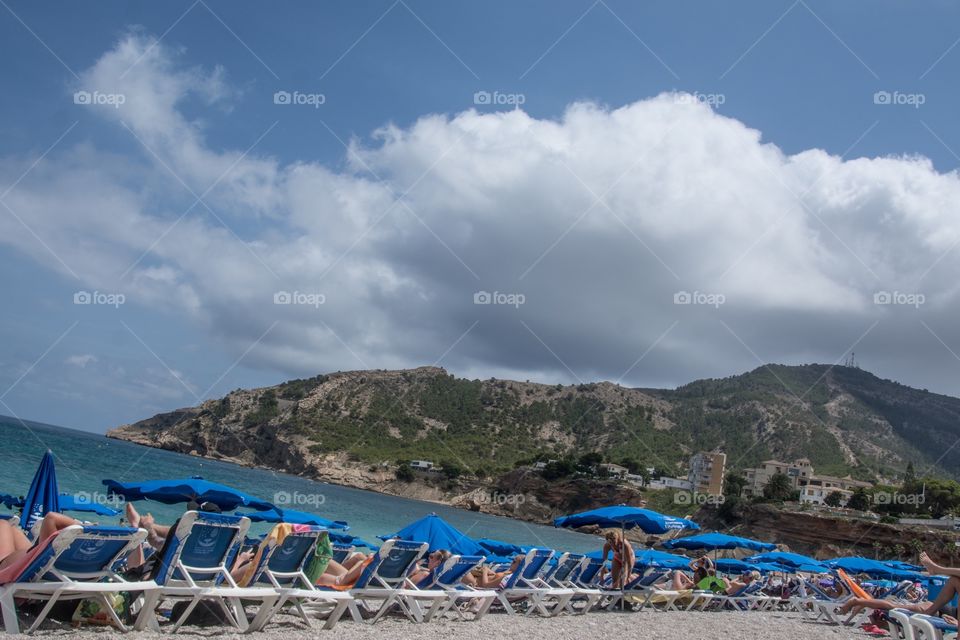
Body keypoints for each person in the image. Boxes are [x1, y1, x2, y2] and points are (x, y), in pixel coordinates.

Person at [0, 512, 80, 571]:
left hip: (10, 567)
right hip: (30, 559)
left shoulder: (46, 554)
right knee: (13, 529)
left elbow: (51, 517)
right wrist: (83, 527)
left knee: (3, 523)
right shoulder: (79, 559)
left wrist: (78, 526)